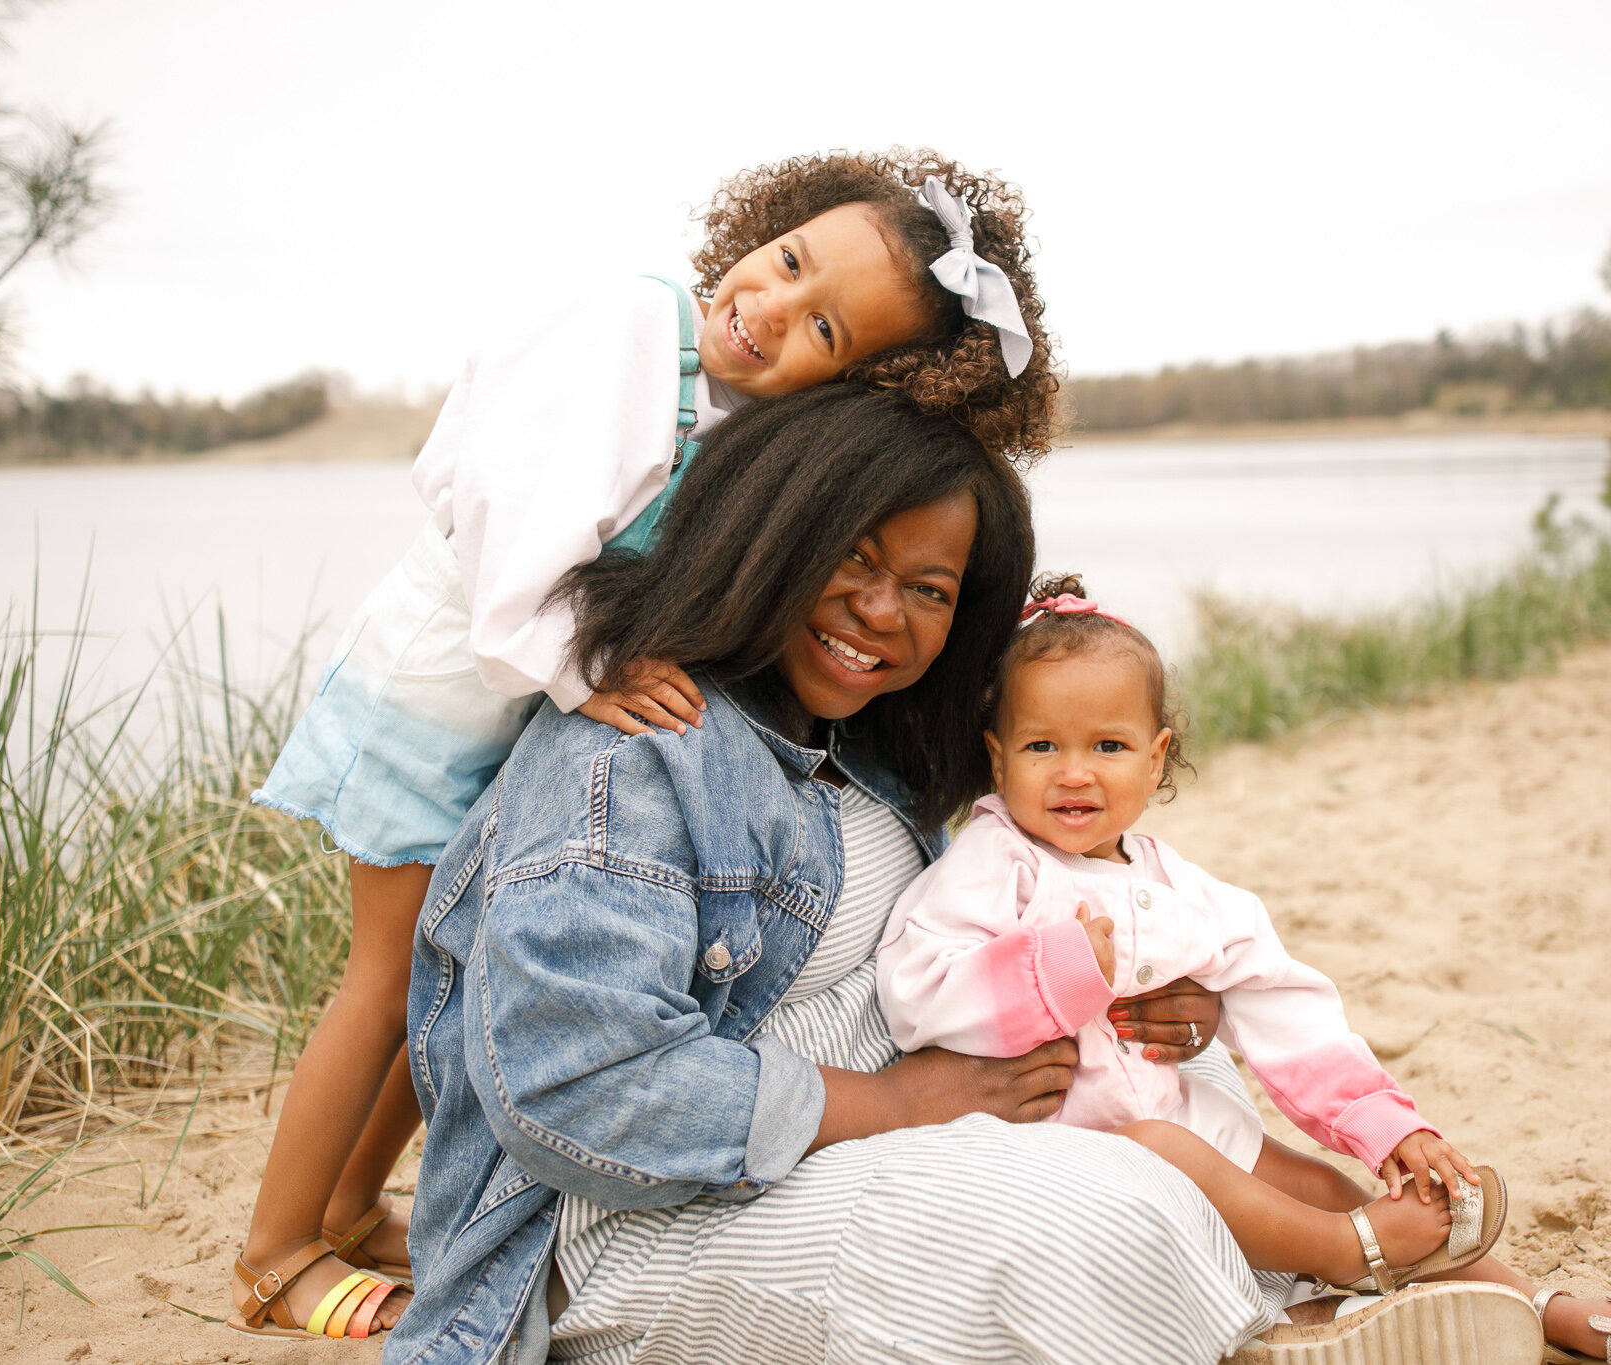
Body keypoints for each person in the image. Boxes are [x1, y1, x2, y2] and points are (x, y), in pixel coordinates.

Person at [372, 387, 1554, 1365]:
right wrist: (893, 1104)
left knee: (1182, 1121)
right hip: (637, 1226)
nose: (882, 612)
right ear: (767, 537)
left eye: (931, 591)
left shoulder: (870, 753)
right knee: (1104, 1209)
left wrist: (1161, 1013)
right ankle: (1272, 1327)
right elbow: (577, 1089)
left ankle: (1307, 1317)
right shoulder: (634, 756)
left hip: (861, 1156)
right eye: (852, 558)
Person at [231, 150, 1061, 1337]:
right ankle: (274, 1252)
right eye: (785, 262)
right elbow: (509, 541)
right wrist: (596, 674)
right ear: (766, 225)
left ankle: (357, 1201)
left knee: (454, 974)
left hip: (523, 677)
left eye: (822, 327)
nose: (770, 308)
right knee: (384, 977)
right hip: (447, 678)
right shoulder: (623, 328)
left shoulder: (735, 409)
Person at [875, 575, 1611, 1365]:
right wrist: (1056, 967)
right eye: (1042, 745)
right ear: (998, 754)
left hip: (1174, 1118)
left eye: (1109, 746)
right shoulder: (996, 860)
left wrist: (1388, 1124)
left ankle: (1528, 1302)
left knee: (1318, 1180)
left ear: (1157, 759)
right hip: (1061, 1149)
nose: (1075, 770)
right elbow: (916, 986)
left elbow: (1283, 1004)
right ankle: (1346, 1259)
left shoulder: (1179, 888)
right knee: (1167, 1147)